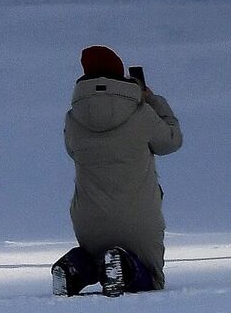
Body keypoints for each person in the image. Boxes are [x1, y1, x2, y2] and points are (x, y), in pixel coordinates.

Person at [53, 45, 183, 297]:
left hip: (88, 219)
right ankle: (124, 265)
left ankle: (73, 268)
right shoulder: (141, 113)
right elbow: (171, 141)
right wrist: (152, 100)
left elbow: (73, 151)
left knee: (95, 259)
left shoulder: (73, 118)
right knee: (149, 277)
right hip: (138, 217)